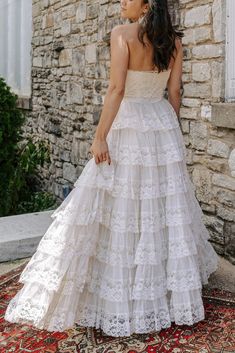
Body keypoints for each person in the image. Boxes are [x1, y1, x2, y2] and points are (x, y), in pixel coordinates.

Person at [4, 0, 219, 337]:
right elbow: (174, 91)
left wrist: (100, 136)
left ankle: (122, 294)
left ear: (146, 4)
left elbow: (117, 89)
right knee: (156, 208)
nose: (121, 1)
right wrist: (169, 129)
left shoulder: (122, 34)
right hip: (160, 122)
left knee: (120, 202)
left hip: (130, 123)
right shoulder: (174, 41)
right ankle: (159, 291)